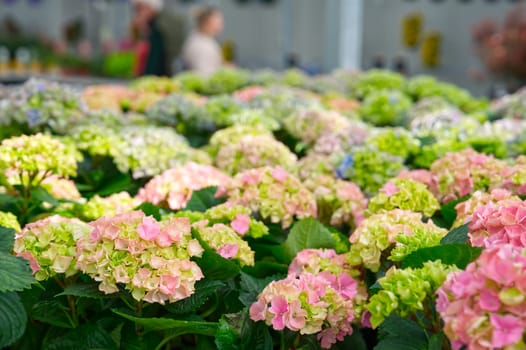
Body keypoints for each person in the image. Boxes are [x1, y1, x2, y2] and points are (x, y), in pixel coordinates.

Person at [132, 0, 186, 76]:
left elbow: (154, 63)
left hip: (161, 75)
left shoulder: (158, 27)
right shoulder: (152, 25)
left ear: (150, 7)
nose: (138, 13)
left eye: (139, 8)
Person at [182, 6, 225, 76]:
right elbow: (204, 74)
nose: (220, 27)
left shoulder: (205, 39)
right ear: (206, 23)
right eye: (217, 23)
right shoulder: (199, 46)